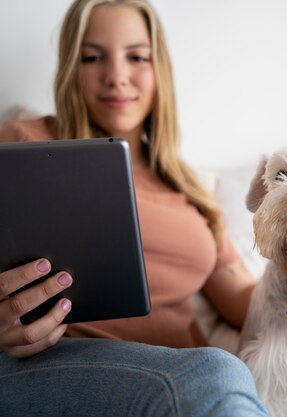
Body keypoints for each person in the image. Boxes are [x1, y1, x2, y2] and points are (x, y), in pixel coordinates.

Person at [0, 1, 268, 416]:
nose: (116, 77)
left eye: (136, 57)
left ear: (159, 67)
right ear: (72, 67)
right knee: (217, 371)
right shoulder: (25, 145)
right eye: (93, 57)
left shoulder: (190, 188)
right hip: (51, 363)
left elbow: (243, 297)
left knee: (216, 373)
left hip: (179, 377)